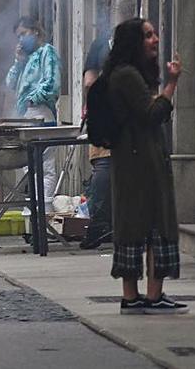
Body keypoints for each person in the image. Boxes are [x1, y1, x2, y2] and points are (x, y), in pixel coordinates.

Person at [101, 18, 185, 315]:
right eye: (148, 35)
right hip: (140, 162)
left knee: (139, 225)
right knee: (149, 224)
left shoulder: (127, 74)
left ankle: (140, 295)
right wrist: (172, 85)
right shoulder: (127, 75)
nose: (155, 40)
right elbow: (152, 113)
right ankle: (147, 295)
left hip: (137, 159)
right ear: (134, 42)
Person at [5, 17, 62, 199]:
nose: (21, 39)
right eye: (18, 36)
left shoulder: (47, 52)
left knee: (45, 167)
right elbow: (10, 83)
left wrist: (32, 99)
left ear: (35, 31)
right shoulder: (26, 59)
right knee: (28, 166)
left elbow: (52, 83)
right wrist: (18, 62)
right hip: (24, 117)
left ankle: (43, 208)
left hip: (41, 114)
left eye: (24, 34)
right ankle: (34, 207)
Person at [80, 34, 114, 249]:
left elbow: (90, 81)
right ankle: (102, 225)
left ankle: (101, 225)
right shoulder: (101, 43)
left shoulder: (103, 42)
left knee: (104, 168)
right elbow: (90, 81)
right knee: (105, 167)